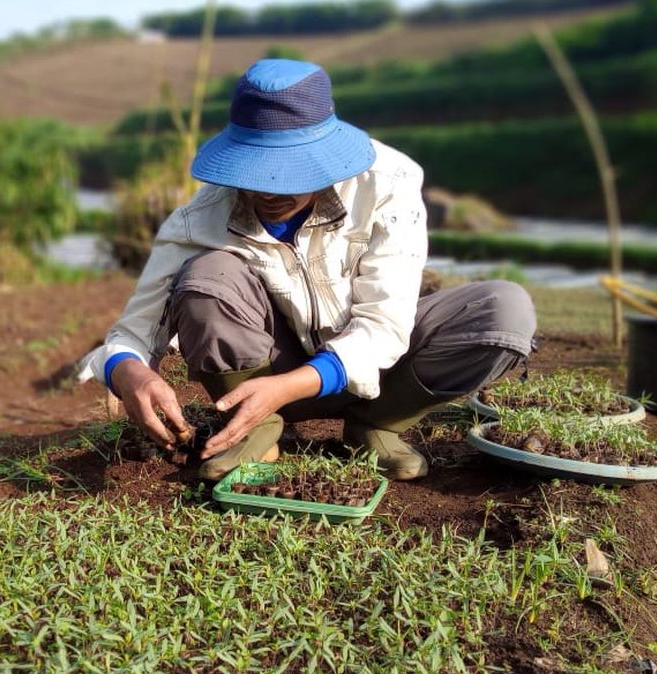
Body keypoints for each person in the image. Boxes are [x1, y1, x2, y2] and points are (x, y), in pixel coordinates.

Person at [78, 58, 536, 481]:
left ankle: (376, 424)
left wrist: (291, 386)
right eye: (255, 170)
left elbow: (385, 325)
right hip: (264, 376)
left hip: (379, 371)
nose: (269, 189)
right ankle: (257, 430)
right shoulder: (202, 219)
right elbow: (131, 334)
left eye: (289, 171)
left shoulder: (389, 184)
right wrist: (127, 371)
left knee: (504, 312)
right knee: (207, 276)